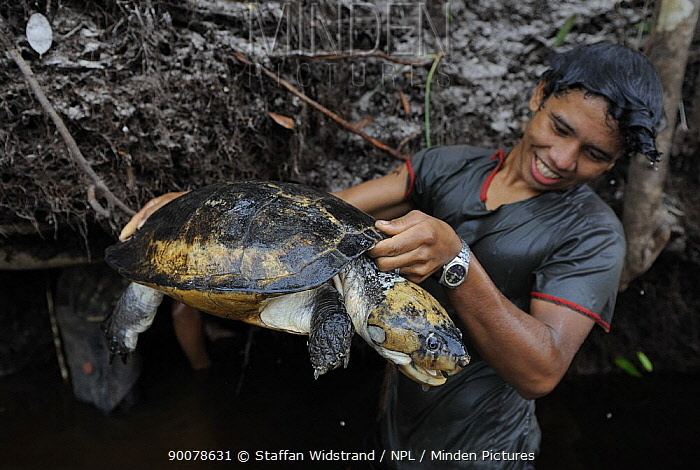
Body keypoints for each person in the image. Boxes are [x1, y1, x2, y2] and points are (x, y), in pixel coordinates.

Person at [119, 42, 664, 468]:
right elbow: (314, 216)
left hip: (483, 447)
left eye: (594, 154)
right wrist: (195, 209)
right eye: (560, 127)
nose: (563, 158)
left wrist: (458, 262)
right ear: (538, 96)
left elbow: (541, 373)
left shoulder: (593, 235)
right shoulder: (447, 167)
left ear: (615, 162)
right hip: (396, 416)